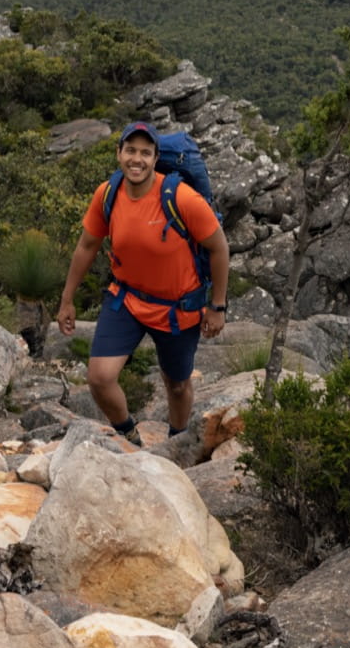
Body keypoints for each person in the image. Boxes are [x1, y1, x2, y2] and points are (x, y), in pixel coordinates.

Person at [56, 121, 228, 445]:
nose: (137, 159)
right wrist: (67, 299)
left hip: (177, 308)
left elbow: (218, 247)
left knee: (176, 385)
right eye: (131, 150)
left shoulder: (182, 198)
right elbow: (86, 246)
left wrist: (217, 306)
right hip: (127, 300)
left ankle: (176, 444)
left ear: (155, 158)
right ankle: (129, 437)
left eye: (145, 153)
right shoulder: (108, 194)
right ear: (119, 154)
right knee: (100, 378)